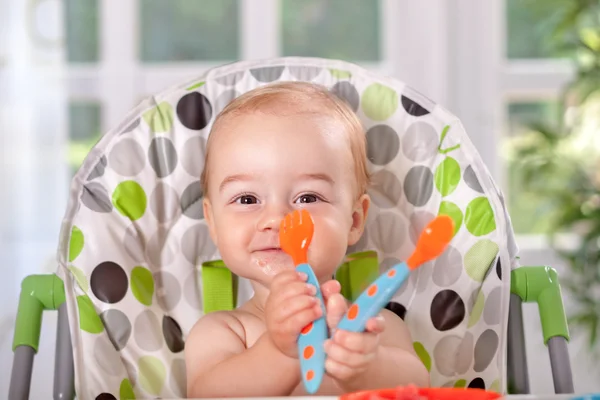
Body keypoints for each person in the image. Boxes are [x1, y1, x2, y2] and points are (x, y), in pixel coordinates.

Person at [185, 81, 429, 397]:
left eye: (307, 197)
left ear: (354, 221)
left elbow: (419, 386)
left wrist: (366, 367)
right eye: (246, 199)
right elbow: (206, 395)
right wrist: (279, 352)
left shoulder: (374, 324)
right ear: (213, 223)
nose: (276, 219)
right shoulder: (224, 331)